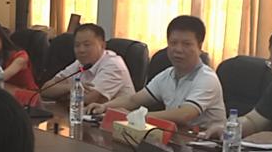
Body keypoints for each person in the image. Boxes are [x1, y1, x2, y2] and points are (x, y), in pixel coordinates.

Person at [89, 15, 225, 128]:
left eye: (186, 44)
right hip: (177, 139)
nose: (178, 49)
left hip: (208, 145)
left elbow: (184, 114)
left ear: (199, 47)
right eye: (173, 43)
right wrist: (104, 107)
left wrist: (137, 116)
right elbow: (133, 100)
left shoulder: (207, 78)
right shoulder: (167, 75)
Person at [40, 23, 135, 104]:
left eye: (87, 45)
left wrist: (61, 94)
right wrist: (70, 87)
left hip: (118, 118)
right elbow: (46, 89)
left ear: (102, 45)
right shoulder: (80, 63)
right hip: (84, 115)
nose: (81, 50)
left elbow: (88, 99)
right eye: (77, 45)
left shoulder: (114, 65)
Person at [0, 18, 37, 90]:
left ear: (0, 37)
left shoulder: (20, 57)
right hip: (6, 92)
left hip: (28, 93)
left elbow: (1, 77)